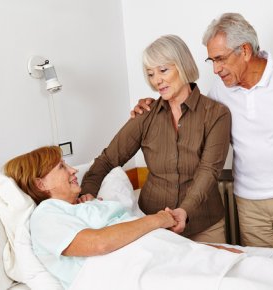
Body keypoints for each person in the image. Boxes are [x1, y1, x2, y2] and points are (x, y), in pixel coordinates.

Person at [131, 13, 273, 252]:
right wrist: (151, 105)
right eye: (211, 61)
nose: (215, 69)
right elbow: (188, 110)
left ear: (244, 51)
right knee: (260, 274)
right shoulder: (220, 91)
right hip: (249, 202)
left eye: (220, 59)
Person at [3, 146, 242, 290]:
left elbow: (141, 238)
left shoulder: (83, 208)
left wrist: (209, 250)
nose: (74, 170)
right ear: (41, 183)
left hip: (169, 257)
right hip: (134, 274)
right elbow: (100, 244)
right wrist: (159, 219)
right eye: (62, 167)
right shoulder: (46, 215)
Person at [80, 35, 232, 243]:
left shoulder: (216, 114)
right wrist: (87, 193)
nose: (156, 80)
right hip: (153, 225)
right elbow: (108, 159)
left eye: (163, 70)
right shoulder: (145, 115)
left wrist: (183, 211)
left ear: (182, 65)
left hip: (204, 224)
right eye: (150, 74)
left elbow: (208, 171)